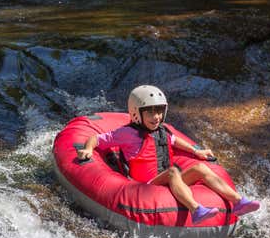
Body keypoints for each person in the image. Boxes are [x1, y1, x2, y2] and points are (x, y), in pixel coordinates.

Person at [77, 85, 260, 224]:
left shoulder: (162, 131)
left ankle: (238, 201)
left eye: (159, 111)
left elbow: (175, 141)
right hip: (146, 186)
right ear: (136, 113)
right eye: (150, 112)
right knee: (173, 172)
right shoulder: (127, 133)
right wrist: (88, 149)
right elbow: (98, 138)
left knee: (200, 168)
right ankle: (196, 210)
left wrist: (197, 151)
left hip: (168, 181)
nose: (156, 117)